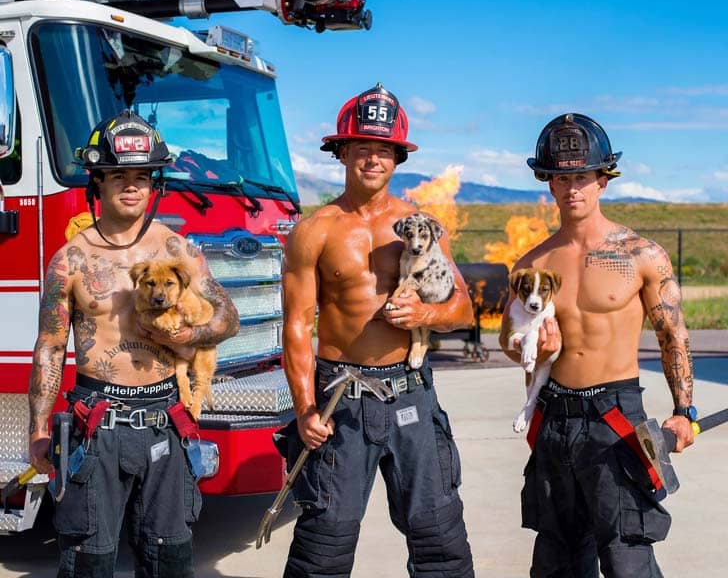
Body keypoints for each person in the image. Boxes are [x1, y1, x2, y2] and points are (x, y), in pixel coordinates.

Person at [28, 109, 239, 578]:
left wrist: (189, 334)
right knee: (90, 561)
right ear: (96, 183)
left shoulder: (178, 250)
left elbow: (228, 317)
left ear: (154, 185)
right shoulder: (71, 261)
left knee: (169, 559)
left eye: (142, 176)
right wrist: (38, 428)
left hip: (165, 419)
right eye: (118, 175)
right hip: (95, 424)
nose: (131, 185)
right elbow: (49, 346)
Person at [280, 83, 475, 577]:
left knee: (439, 539)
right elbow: (298, 327)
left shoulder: (422, 226)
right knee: (323, 542)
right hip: (339, 399)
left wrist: (425, 317)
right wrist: (305, 409)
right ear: (342, 151)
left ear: (398, 158)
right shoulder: (315, 230)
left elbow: (464, 309)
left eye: (384, 150)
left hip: (410, 396)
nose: (373, 159)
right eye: (362, 148)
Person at [498, 113, 695, 577]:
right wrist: (533, 351)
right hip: (555, 417)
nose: (573, 189)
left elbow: (673, 336)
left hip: (615, 416)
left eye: (582, 177)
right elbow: (509, 338)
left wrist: (683, 411)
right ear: (548, 183)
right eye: (562, 177)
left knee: (628, 557)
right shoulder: (533, 265)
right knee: (557, 560)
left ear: (603, 179)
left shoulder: (640, 254)